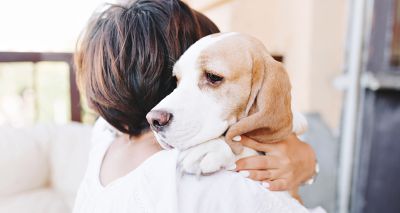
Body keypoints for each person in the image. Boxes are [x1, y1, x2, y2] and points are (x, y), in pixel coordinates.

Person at [73, 0, 317, 212]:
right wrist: (308, 163)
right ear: (168, 80)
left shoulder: (104, 135)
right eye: (179, 79)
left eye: (211, 77)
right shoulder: (210, 179)